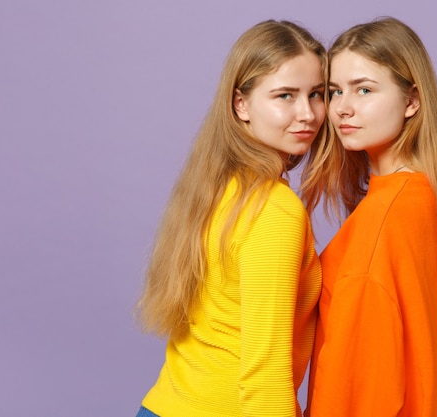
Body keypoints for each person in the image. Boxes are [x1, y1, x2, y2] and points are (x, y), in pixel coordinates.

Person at [306, 17, 437, 416]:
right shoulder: (432, 198)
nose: (343, 108)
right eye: (334, 91)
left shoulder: (383, 221)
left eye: (364, 89)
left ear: (412, 100)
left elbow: (360, 394)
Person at [135, 19, 331, 417]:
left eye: (317, 94)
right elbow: (265, 373)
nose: (307, 113)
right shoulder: (275, 209)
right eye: (285, 96)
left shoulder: (217, 185)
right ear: (241, 104)